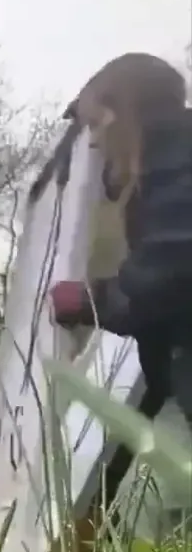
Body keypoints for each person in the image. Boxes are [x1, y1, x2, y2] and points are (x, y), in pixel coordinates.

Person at [48, 65, 192, 434]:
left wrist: (92, 300)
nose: (95, 144)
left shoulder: (177, 164)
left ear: (120, 113)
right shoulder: (165, 167)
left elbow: (171, 270)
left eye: (95, 126)